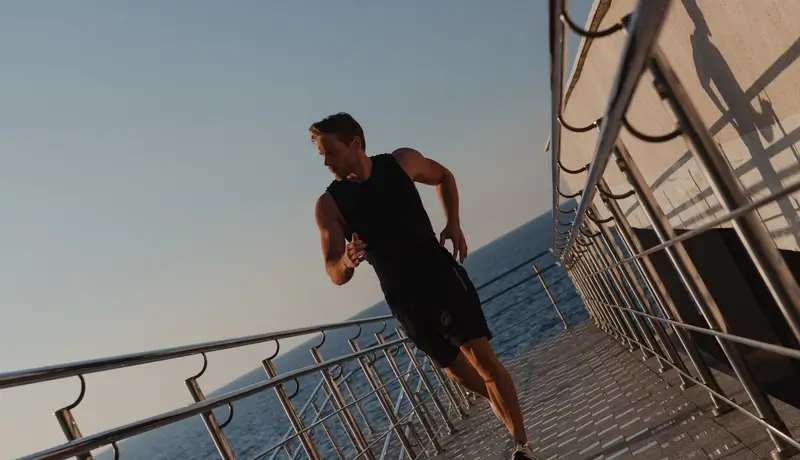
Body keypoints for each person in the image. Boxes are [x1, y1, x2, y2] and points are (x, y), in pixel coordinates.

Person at [311, 112, 538, 460]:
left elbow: (443, 176)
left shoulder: (401, 162)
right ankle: (507, 404)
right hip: (405, 300)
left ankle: (522, 446)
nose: (325, 162)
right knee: (461, 375)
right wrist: (347, 260)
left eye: (331, 152)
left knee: (484, 361)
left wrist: (454, 223)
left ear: (355, 142)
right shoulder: (329, 205)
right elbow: (333, 271)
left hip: (440, 278)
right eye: (321, 156)